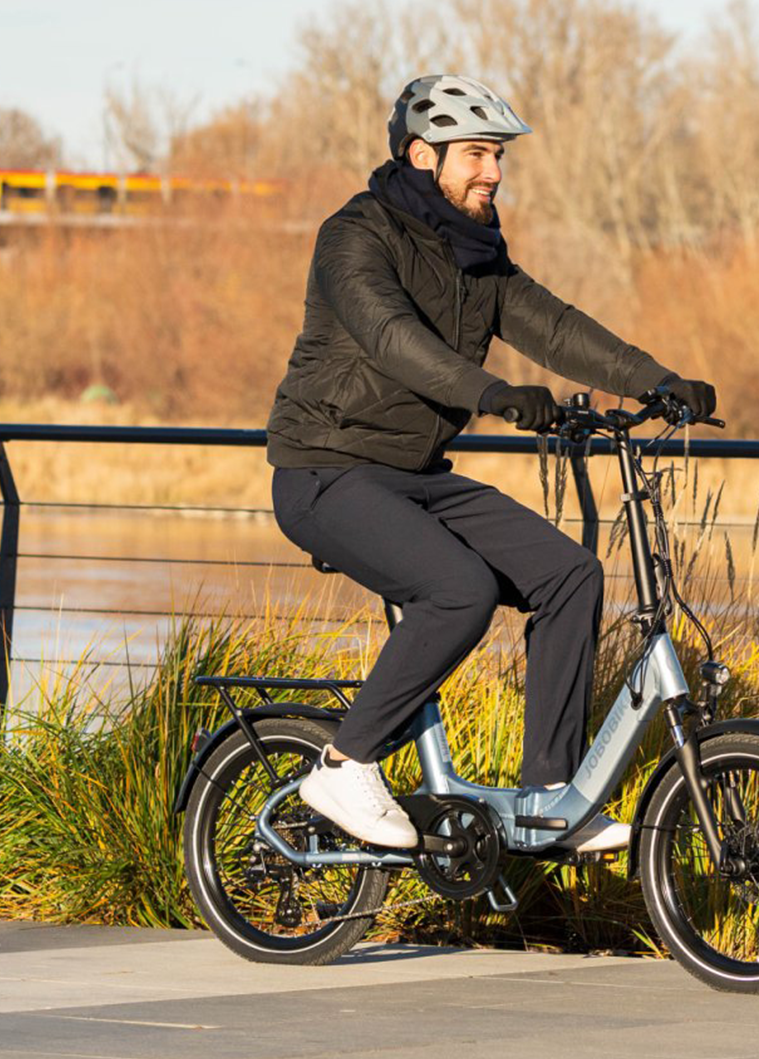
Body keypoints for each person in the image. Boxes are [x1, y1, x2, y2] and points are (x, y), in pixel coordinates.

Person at [267, 74, 716, 852]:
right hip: (326, 470)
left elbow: (555, 326)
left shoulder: (476, 251)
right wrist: (495, 394)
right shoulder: (356, 235)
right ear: (422, 154)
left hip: (416, 476)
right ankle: (344, 763)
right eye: (477, 153)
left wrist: (659, 381)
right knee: (459, 590)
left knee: (570, 575)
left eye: (498, 155)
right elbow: (393, 338)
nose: (494, 172)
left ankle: (551, 797)